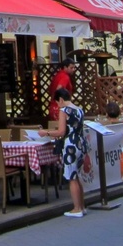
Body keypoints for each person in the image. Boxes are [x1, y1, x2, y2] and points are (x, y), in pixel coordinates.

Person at [40, 87, 87, 217]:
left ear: (60, 99)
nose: (58, 105)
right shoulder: (79, 110)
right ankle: (82, 206)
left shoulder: (64, 110)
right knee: (77, 175)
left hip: (70, 145)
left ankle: (77, 208)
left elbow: (61, 131)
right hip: (80, 143)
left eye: (57, 102)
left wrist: (46, 132)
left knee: (72, 177)